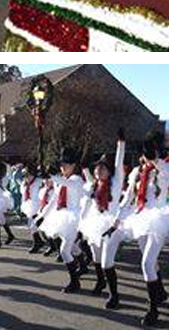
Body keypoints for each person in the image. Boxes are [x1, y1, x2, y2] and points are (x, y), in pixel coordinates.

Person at [115, 133, 169, 326]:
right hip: (140, 217)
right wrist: (117, 219)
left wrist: (155, 158)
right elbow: (128, 197)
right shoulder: (137, 172)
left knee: (147, 263)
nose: (146, 157)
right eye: (145, 153)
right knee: (149, 261)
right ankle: (160, 293)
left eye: (150, 153)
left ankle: (153, 309)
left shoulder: (165, 168)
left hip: (158, 218)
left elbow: (164, 169)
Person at [79, 130, 126, 308]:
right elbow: (87, 205)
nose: (99, 170)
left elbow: (119, 162)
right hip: (95, 224)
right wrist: (81, 226)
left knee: (107, 262)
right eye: (97, 167)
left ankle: (114, 296)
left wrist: (121, 143)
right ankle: (101, 282)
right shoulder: (93, 185)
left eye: (103, 167)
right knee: (96, 257)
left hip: (111, 226)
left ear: (109, 171)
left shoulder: (115, 184)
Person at [38, 148, 87, 293]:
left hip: (74, 219)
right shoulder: (61, 181)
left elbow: (69, 185)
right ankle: (83, 265)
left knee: (65, 251)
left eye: (66, 164)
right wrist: (41, 217)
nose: (63, 167)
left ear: (73, 166)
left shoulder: (76, 180)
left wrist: (51, 176)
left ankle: (74, 282)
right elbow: (53, 201)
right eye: (62, 165)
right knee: (73, 248)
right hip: (62, 218)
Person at [0, 161, 15, 246]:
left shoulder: (3, 178)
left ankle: (10, 235)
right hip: (2, 198)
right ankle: (10, 235)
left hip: (1, 198)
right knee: (1, 219)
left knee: (1, 219)